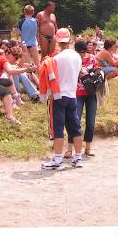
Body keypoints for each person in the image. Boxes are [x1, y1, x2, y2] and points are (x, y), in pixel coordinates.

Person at [41, 28, 84, 169]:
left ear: (57, 41)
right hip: (72, 95)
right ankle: (78, 158)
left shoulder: (55, 59)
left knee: (58, 128)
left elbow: (50, 78)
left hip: (58, 96)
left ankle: (57, 159)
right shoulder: (77, 57)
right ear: (70, 39)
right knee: (75, 128)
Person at [66, 39, 101, 158]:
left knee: (91, 121)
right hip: (77, 93)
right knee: (75, 120)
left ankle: (88, 147)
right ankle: (69, 148)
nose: (81, 55)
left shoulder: (92, 58)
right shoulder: (72, 60)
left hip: (91, 93)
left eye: (83, 52)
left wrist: (91, 73)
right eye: (79, 53)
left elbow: (98, 71)